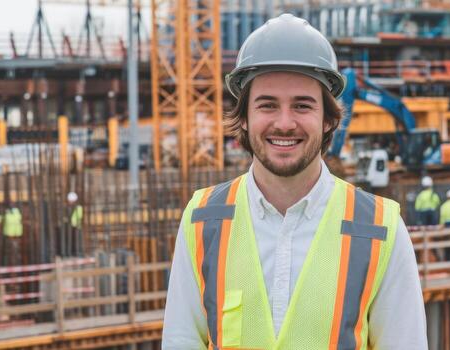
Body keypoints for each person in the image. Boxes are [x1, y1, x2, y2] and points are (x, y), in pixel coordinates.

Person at [162, 14, 427, 350]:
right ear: (244, 117)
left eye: (302, 105)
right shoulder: (202, 220)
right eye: (267, 105)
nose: (284, 123)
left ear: (329, 119)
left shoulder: (380, 229)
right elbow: (181, 341)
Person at [67, 192, 84, 256]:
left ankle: (79, 253)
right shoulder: (71, 207)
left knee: (78, 241)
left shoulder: (78, 207)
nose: (69, 202)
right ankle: (75, 253)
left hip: (77, 227)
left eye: (70, 201)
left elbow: (79, 217)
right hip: (72, 227)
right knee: (74, 241)